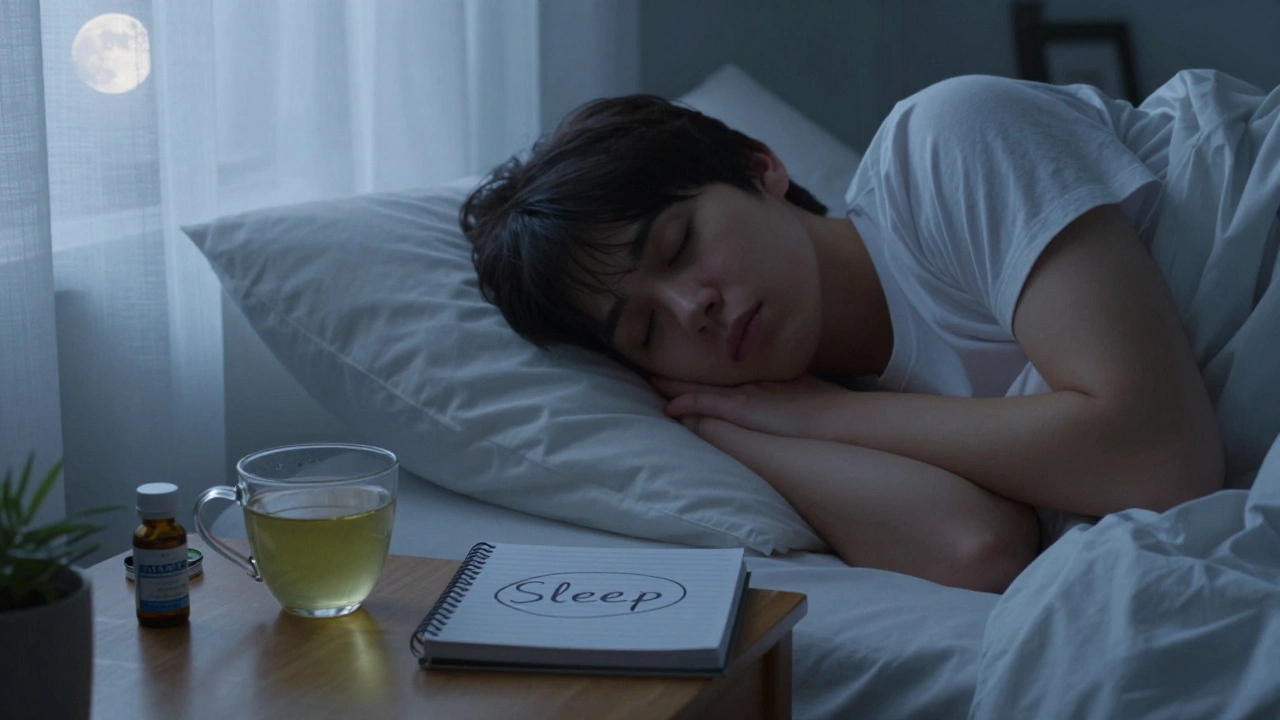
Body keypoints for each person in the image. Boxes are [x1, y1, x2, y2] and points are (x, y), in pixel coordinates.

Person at [460, 73, 1226, 593]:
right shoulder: (829, 406)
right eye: (647, 331)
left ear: (760, 168)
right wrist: (733, 426)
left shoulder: (944, 144)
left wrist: (820, 416)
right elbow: (979, 553)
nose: (692, 309)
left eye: (677, 245)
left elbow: (1160, 457)